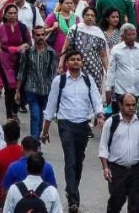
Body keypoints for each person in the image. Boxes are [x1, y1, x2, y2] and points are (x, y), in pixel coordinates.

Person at [42, 49, 104, 212]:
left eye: (79, 59)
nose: (76, 62)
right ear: (67, 63)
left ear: (82, 62)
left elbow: (97, 100)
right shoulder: (59, 81)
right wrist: (45, 130)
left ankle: (71, 189)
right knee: (70, 159)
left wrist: (100, 115)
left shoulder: (88, 80)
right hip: (65, 124)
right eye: (73, 59)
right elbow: (51, 105)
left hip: (83, 125)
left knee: (78, 160)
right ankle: (73, 199)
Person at [98, 93, 139, 213]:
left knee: (136, 205)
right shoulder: (111, 122)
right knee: (116, 202)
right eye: (128, 105)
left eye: (133, 105)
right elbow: (103, 147)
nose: (131, 108)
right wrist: (105, 168)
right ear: (120, 105)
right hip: (117, 170)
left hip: (137, 170)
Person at [106, 23, 139, 105]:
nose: (131, 37)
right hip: (121, 91)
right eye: (128, 35)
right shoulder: (116, 50)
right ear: (122, 37)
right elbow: (111, 70)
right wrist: (108, 88)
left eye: (133, 34)